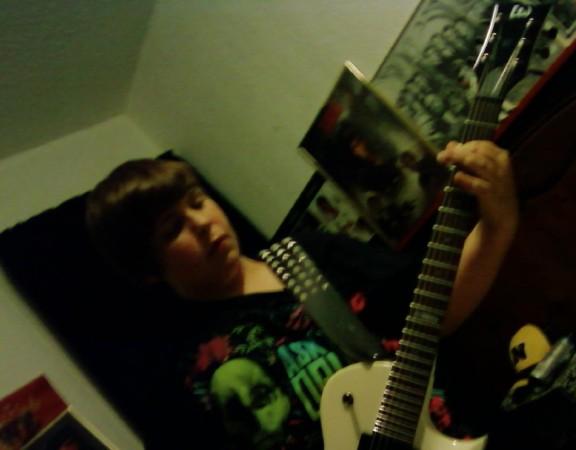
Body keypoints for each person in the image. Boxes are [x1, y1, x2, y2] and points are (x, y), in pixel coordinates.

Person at [85, 139, 518, 449]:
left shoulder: (307, 255)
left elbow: (433, 314)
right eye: (172, 227)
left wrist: (499, 224)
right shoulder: (178, 371)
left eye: (197, 202)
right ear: (148, 269)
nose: (200, 222)